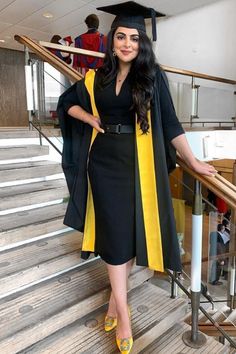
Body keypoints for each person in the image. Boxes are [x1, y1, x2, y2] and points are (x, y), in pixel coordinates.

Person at [57, 2, 216, 353]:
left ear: (142, 43)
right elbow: (66, 102)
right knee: (115, 236)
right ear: (112, 42)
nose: (127, 43)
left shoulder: (152, 77)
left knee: (126, 236)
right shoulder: (96, 78)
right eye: (121, 37)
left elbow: (172, 125)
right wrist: (90, 118)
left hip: (138, 166)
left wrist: (194, 160)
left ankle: (115, 302)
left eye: (134, 38)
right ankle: (124, 313)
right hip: (103, 164)